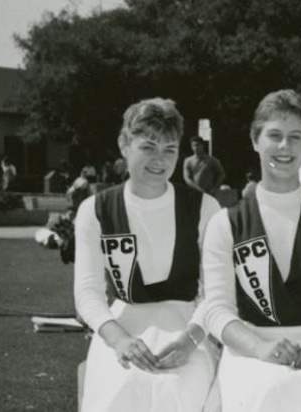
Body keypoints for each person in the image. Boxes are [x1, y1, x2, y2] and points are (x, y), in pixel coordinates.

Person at [201, 90, 301, 412]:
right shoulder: (225, 224)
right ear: (255, 140)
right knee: (267, 392)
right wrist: (260, 348)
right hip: (252, 349)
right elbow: (217, 311)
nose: (284, 147)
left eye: (295, 137)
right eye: (274, 135)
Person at [73, 98, 221, 412]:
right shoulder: (96, 210)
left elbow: (216, 292)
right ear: (124, 144)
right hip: (122, 326)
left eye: (169, 149)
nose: (159, 160)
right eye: (148, 146)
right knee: (122, 388)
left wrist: (190, 341)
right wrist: (119, 340)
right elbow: (87, 293)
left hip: (186, 326)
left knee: (178, 388)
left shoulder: (204, 207)